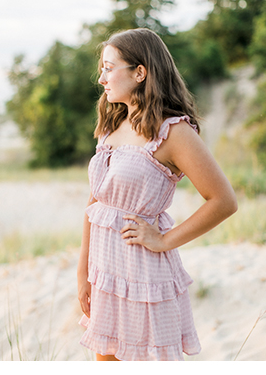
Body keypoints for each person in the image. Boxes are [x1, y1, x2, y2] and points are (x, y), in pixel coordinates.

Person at [78, 28, 238, 361]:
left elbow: (223, 201)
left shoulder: (174, 132)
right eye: (102, 68)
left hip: (143, 275)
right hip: (104, 270)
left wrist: (164, 239)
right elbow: (96, 204)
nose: (101, 78)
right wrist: (83, 272)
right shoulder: (112, 125)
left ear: (140, 72)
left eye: (109, 67)